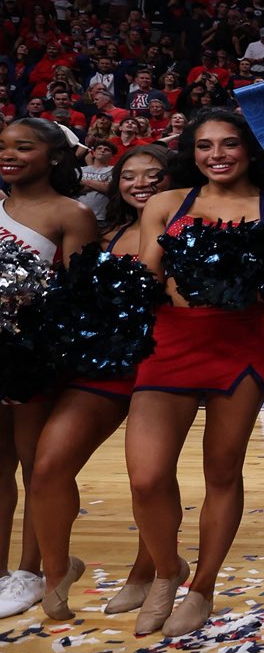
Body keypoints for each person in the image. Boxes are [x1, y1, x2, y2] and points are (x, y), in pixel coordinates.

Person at [127, 110, 264, 637]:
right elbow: (144, 280)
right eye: (204, 146)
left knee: (221, 472)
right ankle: (166, 570)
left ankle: (201, 587)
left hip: (238, 344)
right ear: (192, 153)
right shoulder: (164, 204)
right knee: (147, 476)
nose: (216, 155)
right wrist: (192, 263)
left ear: (249, 150)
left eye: (228, 144)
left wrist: (235, 265)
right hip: (172, 340)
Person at [28, 144, 171, 620]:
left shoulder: (192, 229)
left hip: (166, 367)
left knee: (148, 479)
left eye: (154, 174)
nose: (140, 183)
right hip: (104, 366)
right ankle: (56, 570)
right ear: (115, 183)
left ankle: (148, 572)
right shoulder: (104, 235)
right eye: (129, 175)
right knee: (48, 466)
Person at [0, 119, 101, 618]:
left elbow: (84, 298)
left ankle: (31, 571)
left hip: (33, 357)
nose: (9, 154)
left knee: (35, 466)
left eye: (24, 147)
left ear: (56, 157)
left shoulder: (73, 213)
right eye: (3, 147)